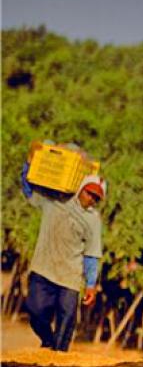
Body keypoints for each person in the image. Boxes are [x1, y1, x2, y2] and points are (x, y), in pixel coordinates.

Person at [21, 143, 105, 352]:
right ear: (81, 188)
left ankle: (58, 360)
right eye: (89, 193)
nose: (91, 199)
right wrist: (28, 165)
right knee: (35, 311)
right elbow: (29, 190)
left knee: (66, 321)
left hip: (70, 276)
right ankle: (47, 340)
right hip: (43, 268)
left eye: (96, 197)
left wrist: (91, 284)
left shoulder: (93, 220)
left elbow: (92, 254)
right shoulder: (55, 199)